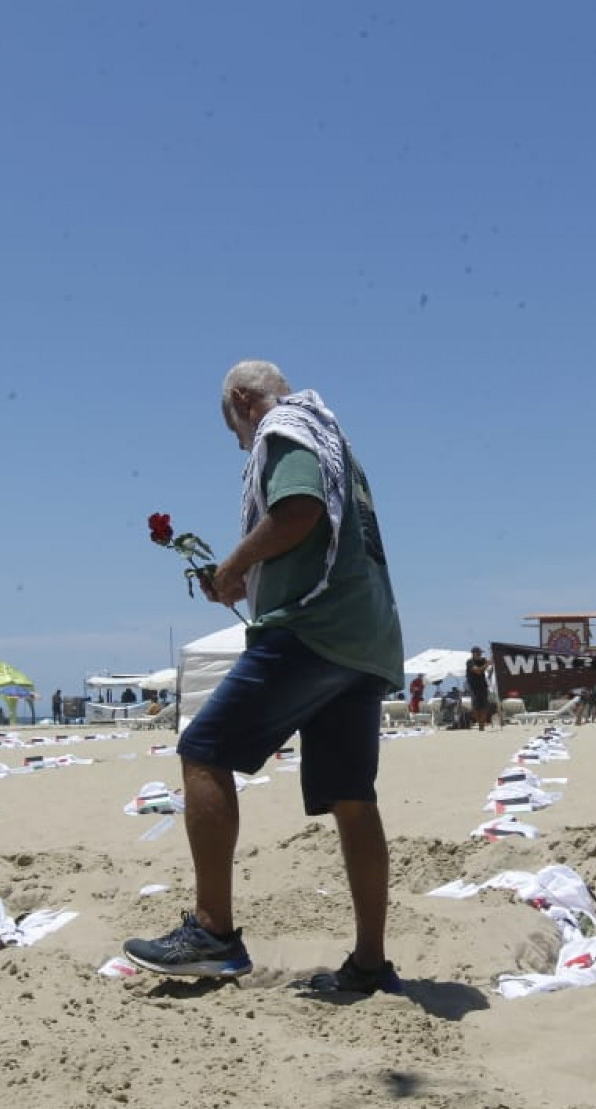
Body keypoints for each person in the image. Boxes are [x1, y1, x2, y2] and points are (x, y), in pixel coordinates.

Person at [123, 360, 405, 995]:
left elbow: (297, 510)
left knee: (202, 751)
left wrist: (232, 566)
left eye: (235, 431)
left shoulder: (284, 430)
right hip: (367, 635)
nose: (243, 445)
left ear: (245, 401)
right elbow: (313, 531)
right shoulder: (337, 441)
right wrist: (245, 576)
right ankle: (369, 963)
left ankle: (213, 933)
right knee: (353, 798)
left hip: (313, 629)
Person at [465, 646, 494, 731]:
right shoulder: (470, 662)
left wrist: (492, 656)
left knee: (485, 705)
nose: (480, 654)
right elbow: (477, 671)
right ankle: (479, 722)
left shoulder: (483, 660)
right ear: (473, 653)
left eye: (481, 653)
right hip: (474, 687)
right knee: (476, 707)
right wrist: (487, 664)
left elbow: (491, 662)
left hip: (483, 686)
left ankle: (482, 723)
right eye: (478, 653)